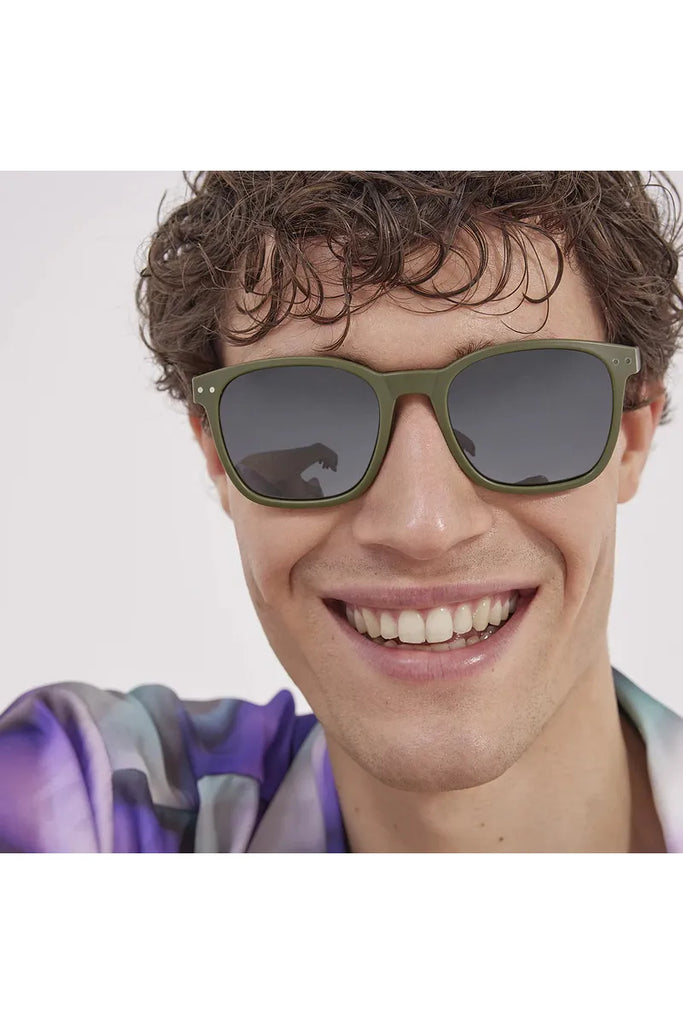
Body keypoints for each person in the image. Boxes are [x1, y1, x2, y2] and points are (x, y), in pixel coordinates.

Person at [1, 171, 682, 853]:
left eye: (522, 406)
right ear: (217, 458)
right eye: (304, 413)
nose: (422, 526)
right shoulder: (84, 803)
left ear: (629, 437)